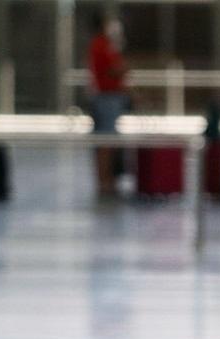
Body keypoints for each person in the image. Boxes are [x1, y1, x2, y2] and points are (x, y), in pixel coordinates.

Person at [88, 13, 129, 199]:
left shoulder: (106, 45)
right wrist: (123, 68)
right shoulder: (102, 46)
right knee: (106, 140)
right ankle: (105, 181)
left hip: (110, 96)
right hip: (106, 98)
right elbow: (113, 70)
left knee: (107, 140)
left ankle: (108, 179)